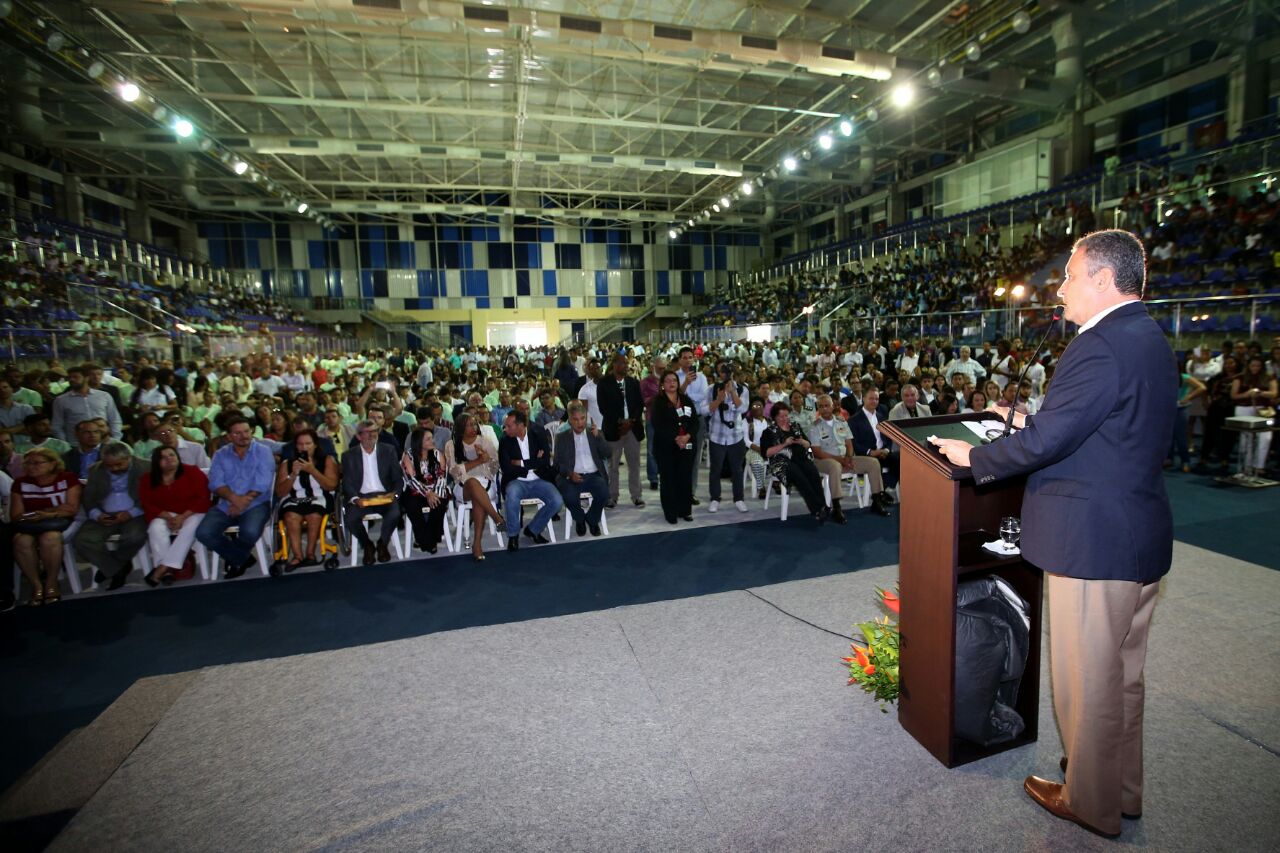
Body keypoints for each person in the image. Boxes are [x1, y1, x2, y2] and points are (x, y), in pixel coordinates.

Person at [931, 229, 1178, 839]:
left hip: (1091, 544)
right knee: (1121, 677)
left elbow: (1054, 442)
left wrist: (974, 457)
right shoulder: (1147, 336)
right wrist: (1027, 422)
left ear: (1103, 279)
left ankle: (1089, 802)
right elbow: (1101, 429)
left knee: (1086, 679)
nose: (1060, 287)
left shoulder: (1099, 345)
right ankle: (1120, 789)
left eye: (1069, 275)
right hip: (1135, 534)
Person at [195, 416, 277, 579]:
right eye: (237, 433)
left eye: (246, 431)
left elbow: (262, 483)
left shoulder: (263, 451)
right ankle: (242, 558)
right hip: (226, 503)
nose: (244, 436)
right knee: (204, 533)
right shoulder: (220, 454)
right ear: (229, 436)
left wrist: (242, 502)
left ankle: (236, 559)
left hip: (256, 502)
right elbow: (215, 482)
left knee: (250, 531)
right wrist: (234, 499)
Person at [72, 441, 149, 590]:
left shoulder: (146, 467)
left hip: (136, 513)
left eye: (119, 465)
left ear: (129, 458)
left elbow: (152, 496)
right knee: (82, 540)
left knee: (135, 536)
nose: (114, 468)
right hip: (105, 513)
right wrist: (97, 515)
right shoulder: (95, 470)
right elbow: (88, 498)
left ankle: (113, 565)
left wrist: (132, 512)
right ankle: (117, 569)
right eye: (109, 466)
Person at [11, 448, 82, 605]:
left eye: (37, 463)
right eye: (28, 463)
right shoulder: (20, 483)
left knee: (50, 537)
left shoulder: (67, 479)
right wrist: (47, 512)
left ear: (53, 464)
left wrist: (47, 514)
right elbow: (16, 515)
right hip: (30, 525)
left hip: (59, 523)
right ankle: (36, 584)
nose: (31, 467)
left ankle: (51, 583)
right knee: (21, 541)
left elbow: (71, 509)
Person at [808, 394, 891, 518]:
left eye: (827, 405)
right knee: (835, 466)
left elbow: (849, 444)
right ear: (818, 409)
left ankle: (877, 500)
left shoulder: (841, 422)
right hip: (823, 461)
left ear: (832, 406)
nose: (824, 409)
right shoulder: (814, 426)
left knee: (873, 463)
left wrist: (849, 457)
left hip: (844, 459)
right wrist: (841, 460)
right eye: (821, 406)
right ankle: (836, 507)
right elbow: (817, 452)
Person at [138, 446, 210, 586]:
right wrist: (167, 517)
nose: (169, 459)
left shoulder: (192, 472)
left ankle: (163, 568)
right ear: (156, 462)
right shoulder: (147, 479)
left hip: (192, 511)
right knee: (156, 527)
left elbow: (203, 498)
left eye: (172, 455)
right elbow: (146, 503)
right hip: (165, 514)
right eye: (163, 457)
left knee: (190, 527)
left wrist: (182, 517)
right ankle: (167, 572)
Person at [341, 419, 404, 566]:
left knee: (395, 513)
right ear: (359, 436)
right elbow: (347, 483)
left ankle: (382, 543)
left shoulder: (388, 450)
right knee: (350, 518)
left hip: (384, 495)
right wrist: (355, 499)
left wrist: (394, 494)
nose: (372, 435)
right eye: (367, 432)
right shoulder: (348, 455)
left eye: (375, 431)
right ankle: (367, 545)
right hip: (361, 496)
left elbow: (398, 478)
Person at [497, 409, 562, 551]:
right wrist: (533, 462)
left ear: (520, 425)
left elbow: (545, 461)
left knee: (557, 501)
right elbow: (507, 468)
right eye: (505, 426)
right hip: (516, 480)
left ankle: (533, 529)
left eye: (509, 426)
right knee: (512, 495)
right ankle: (513, 535)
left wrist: (520, 463)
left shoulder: (538, 434)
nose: (505, 429)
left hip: (539, 478)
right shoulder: (504, 441)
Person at [444, 412, 505, 561]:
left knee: (478, 496)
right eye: (469, 425)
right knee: (472, 482)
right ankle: (497, 517)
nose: (474, 428)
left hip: (486, 483)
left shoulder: (485, 441)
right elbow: (455, 472)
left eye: (474, 424)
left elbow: (495, 467)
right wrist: (478, 461)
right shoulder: (451, 445)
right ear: (460, 428)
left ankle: (477, 544)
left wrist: (487, 459)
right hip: (462, 486)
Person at [275, 429, 339, 570]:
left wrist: (313, 470)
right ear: (296, 446)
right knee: (291, 516)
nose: (304, 447)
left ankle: (310, 554)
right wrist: (293, 474)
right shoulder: (287, 464)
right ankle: (297, 556)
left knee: (314, 515)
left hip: (319, 497)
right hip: (294, 498)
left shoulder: (327, 460)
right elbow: (280, 492)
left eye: (308, 444)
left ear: (315, 445)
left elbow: (331, 485)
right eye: (300, 444)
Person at [760, 403, 828, 524]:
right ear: (775, 417)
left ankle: (822, 506)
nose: (785, 419)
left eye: (786, 415)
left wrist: (802, 442)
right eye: (781, 416)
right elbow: (767, 453)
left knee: (813, 474)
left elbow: (808, 444)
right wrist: (784, 444)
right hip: (781, 463)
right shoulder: (769, 431)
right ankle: (817, 509)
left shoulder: (795, 426)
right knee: (800, 477)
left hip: (800, 459)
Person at [595, 353, 647, 509]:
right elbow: (603, 407)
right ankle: (612, 496)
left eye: (626, 363)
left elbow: (639, 404)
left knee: (634, 464)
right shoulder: (604, 383)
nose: (626, 366)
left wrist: (631, 422)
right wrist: (619, 422)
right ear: (615, 365)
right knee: (613, 466)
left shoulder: (633, 382)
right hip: (613, 429)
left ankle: (636, 496)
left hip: (632, 429)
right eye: (623, 363)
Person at [554, 401, 610, 537]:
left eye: (582, 418)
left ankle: (592, 520)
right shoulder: (562, 437)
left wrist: (599, 438)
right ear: (570, 420)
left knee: (604, 493)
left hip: (593, 475)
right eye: (576, 419)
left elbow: (608, 454)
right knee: (569, 497)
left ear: (586, 418)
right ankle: (579, 519)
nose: (580, 423)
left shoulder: (594, 433)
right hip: (571, 476)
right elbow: (557, 464)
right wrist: (569, 474)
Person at [650, 370, 699, 523]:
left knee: (685, 478)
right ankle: (670, 512)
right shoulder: (658, 402)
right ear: (662, 385)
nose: (671, 383)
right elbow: (657, 424)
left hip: (687, 445)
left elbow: (695, 422)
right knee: (668, 480)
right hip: (666, 447)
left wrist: (687, 436)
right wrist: (676, 438)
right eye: (668, 380)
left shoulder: (686, 400)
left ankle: (685, 510)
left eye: (674, 380)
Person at [705, 359, 749, 513]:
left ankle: (739, 499)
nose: (726, 375)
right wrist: (718, 399)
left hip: (736, 436)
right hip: (716, 436)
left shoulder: (743, 389)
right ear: (719, 373)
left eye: (729, 372)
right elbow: (704, 410)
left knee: (737, 470)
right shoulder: (712, 389)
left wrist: (732, 392)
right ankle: (715, 498)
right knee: (715, 470)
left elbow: (743, 409)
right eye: (723, 372)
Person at [400, 427, 451, 554]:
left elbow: (442, 477)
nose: (432, 441)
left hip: (436, 488)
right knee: (412, 507)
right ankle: (429, 541)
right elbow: (411, 480)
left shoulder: (437, 454)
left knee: (438, 504)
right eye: (428, 439)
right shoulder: (408, 457)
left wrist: (434, 493)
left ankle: (425, 540)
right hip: (415, 490)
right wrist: (427, 493)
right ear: (419, 442)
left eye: (431, 438)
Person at [673, 347, 710, 504]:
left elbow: (704, 395)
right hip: (680, 420)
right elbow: (675, 396)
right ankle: (678, 491)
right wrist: (686, 384)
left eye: (690, 357)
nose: (688, 360)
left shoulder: (701, 377)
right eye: (685, 357)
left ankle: (691, 492)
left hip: (697, 420)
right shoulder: (675, 376)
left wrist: (687, 395)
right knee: (679, 456)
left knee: (694, 458)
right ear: (680, 360)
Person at [1230, 356, 1276, 476]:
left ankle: (1259, 465)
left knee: (1265, 437)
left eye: (1258, 366)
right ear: (1248, 366)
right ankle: (1247, 465)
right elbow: (1234, 395)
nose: (1255, 368)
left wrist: (1261, 393)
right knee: (1247, 438)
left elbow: (1274, 393)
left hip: (1263, 410)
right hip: (1243, 409)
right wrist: (1247, 394)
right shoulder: (1239, 377)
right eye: (1253, 366)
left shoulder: (1269, 377)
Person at [50, 364, 123, 441]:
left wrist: (115, 439)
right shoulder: (61, 400)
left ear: (86, 378)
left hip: (103, 442)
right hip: (75, 443)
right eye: (69, 377)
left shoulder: (104, 396)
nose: (72, 380)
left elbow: (114, 419)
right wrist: (64, 444)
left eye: (75, 377)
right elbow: (57, 425)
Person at [850, 388, 899, 490]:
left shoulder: (881, 417)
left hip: (883, 453)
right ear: (864, 399)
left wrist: (886, 450)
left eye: (876, 399)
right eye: (871, 398)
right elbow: (854, 443)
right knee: (876, 464)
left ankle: (886, 487)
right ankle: (880, 492)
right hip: (867, 455)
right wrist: (870, 452)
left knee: (901, 459)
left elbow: (889, 439)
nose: (874, 401)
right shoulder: (854, 420)